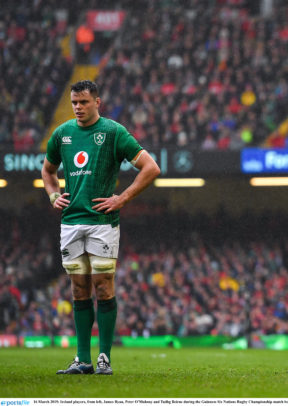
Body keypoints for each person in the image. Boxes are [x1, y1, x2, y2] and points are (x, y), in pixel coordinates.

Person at [42, 80, 160, 375]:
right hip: (70, 222)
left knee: (103, 286)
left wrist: (123, 197)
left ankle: (104, 357)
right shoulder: (62, 134)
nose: (78, 108)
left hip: (101, 223)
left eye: (83, 102)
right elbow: (48, 169)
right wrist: (54, 195)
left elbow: (151, 167)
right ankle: (82, 360)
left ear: (98, 102)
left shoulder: (113, 132)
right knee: (79, 289)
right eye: (74, 103)